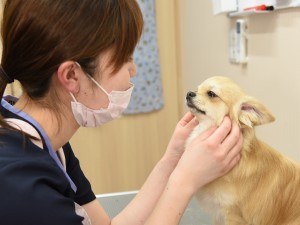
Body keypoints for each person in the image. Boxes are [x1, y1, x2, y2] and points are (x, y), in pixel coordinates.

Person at [0, 0, 243, 224]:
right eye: (126, 58)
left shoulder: (48, 143)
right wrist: (184, 182)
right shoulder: (19, 187)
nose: (133, 70)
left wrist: (172, 160)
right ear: (72, 75)